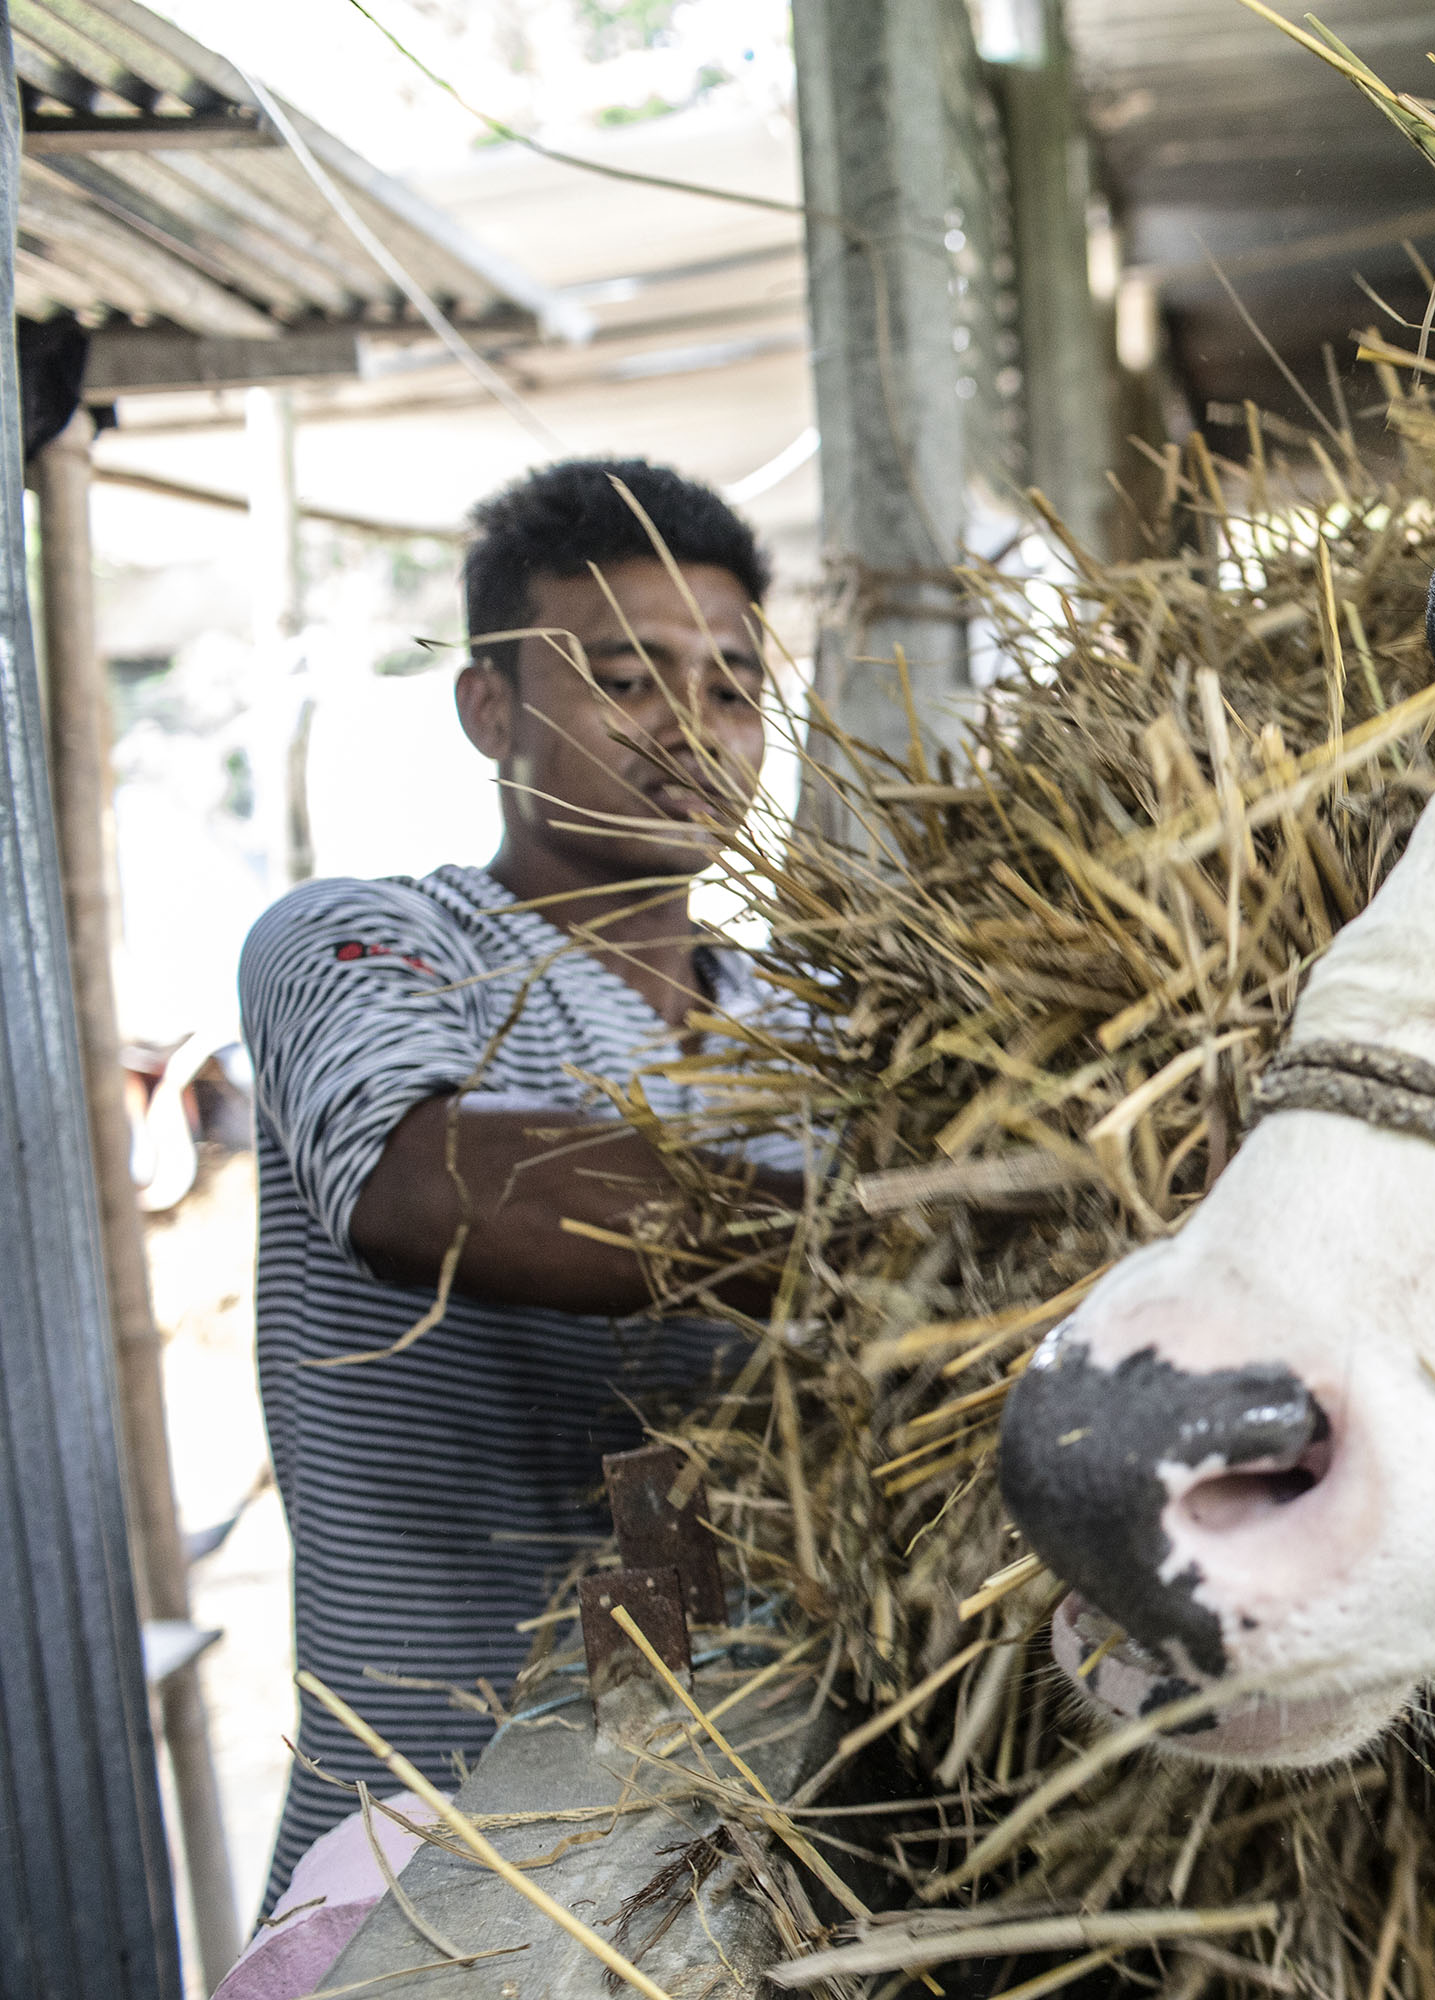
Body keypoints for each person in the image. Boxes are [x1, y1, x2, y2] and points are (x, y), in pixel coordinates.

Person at [239, 458, 797, 1907]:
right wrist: (867, 1244)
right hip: (437, 1859)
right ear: (490, 709)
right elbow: (424, 1186)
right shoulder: (367, 943)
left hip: (763, 1824)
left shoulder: (823, 1027)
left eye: (734, 686)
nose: (694, 728)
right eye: (628, 678)